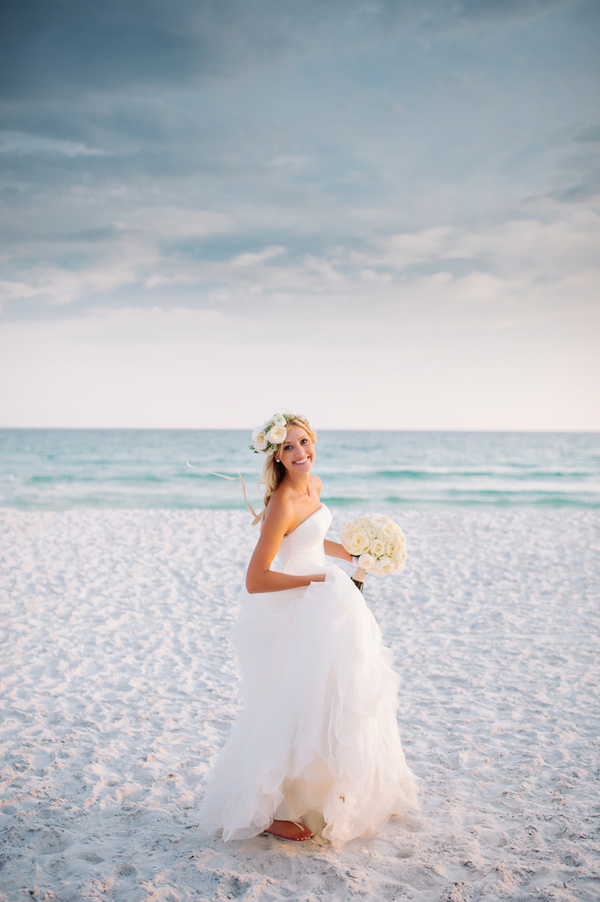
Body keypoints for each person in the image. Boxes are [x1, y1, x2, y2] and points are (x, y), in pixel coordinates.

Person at [198, 412, 418, 846]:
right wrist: (317, 580)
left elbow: (314, 542)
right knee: (292, 704)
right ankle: (270, 811)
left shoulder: (315, 486)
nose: (301, 453)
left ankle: (321, 796)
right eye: (289, 447)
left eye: (304, 443)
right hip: (300, 606)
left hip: (331, 604)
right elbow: (256, 579)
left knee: (337, 698)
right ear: (277, 456)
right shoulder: (281, 502)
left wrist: (359, 556)